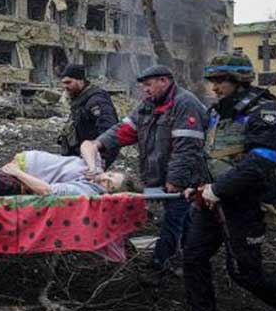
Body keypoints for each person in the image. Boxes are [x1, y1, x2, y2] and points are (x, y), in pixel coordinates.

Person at [183, 53, 276, 311]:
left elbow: (261, 161)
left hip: (245, 205)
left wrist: (217, 189)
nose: (214, 87)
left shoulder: (265, 112)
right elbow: (208, 154)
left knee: (244, 272)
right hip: (211, 203)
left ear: (239, 80)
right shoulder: (216, 112)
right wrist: (196, 185)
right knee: (193, 257)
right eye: (212, 81)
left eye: (220, 81)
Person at [80, 65, 209, 277]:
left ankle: (158, 266)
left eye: (149, 85)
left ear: (164, 81)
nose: (145, 90)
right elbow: (124, 130)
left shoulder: (185, 104)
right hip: (162, 175)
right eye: (143, 86)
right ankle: (191, 258)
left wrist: (175, 180)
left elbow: (187, 147)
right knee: (183, 219)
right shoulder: (147, 106)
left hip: (185, 177)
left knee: (172, 222)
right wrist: (100, 143)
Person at [0, 150, 126, 197]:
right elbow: (88, 144)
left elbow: (46, 190)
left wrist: (17, 172)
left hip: (17, 181)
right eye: (111, 175)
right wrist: (94, 167)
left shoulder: (86, 190)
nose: (104, 178)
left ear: (108, 193)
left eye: (108, 184)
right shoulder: (96, 170)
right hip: (16, 171)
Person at [58, 65, 120, 169]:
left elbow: (109, 132)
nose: (65, 86)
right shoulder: (80, 99)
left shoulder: (96, 101)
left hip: (92, 157)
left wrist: (101, 161)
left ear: (81, 81)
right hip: (79, 156)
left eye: (68, 82)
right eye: (63, 83)